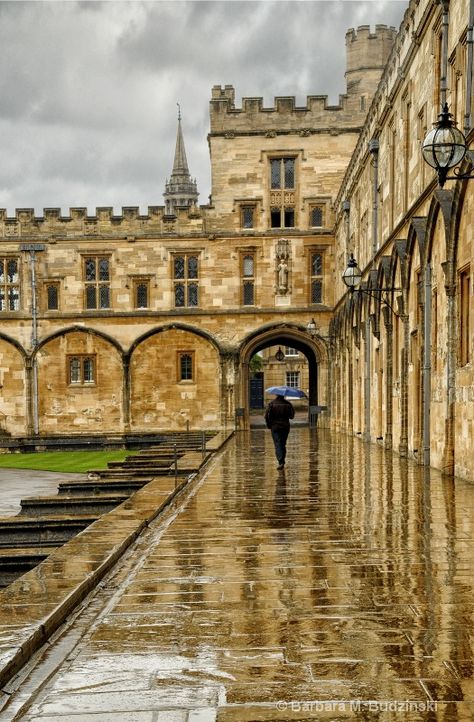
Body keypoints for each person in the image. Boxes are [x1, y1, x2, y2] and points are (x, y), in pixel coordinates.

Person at [264, 394, 295, 470]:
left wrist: (269, 425)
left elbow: (266, 416)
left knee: (278, 444)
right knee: (283, 444)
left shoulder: (271, 404)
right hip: (285, 426)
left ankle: (281, 462)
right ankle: (282, 461)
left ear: (276, 395)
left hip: (275, 427)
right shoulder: (288, 404)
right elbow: (292, 416)